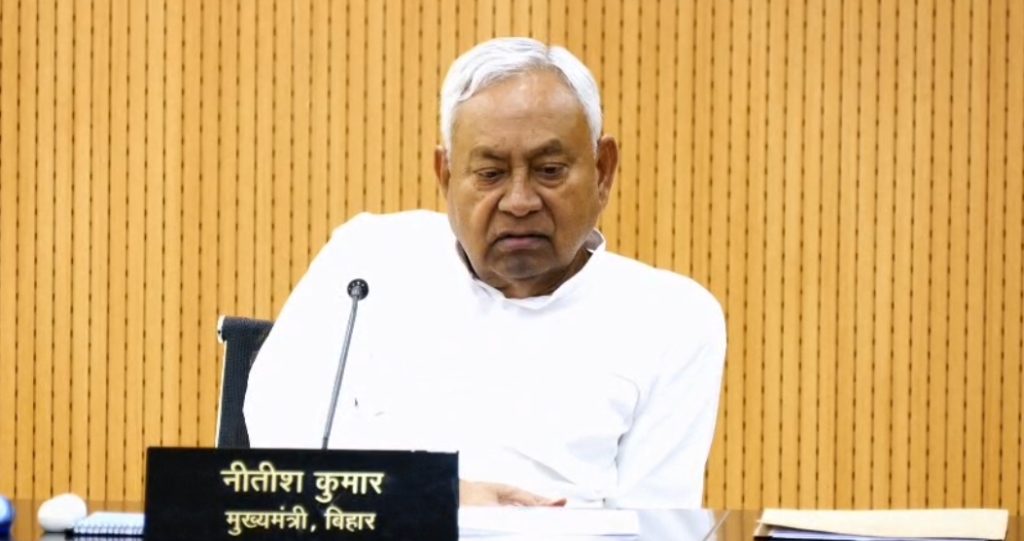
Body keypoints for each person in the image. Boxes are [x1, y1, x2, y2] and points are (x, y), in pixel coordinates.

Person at [243, 37, 727, 509]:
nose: (519, 202)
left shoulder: (671, 319)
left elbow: (655, 524)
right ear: (446, 174)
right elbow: (278, 441)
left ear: (603, 171)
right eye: (491, 174)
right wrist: (439, 497)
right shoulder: (368, 261)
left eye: (549, 170)